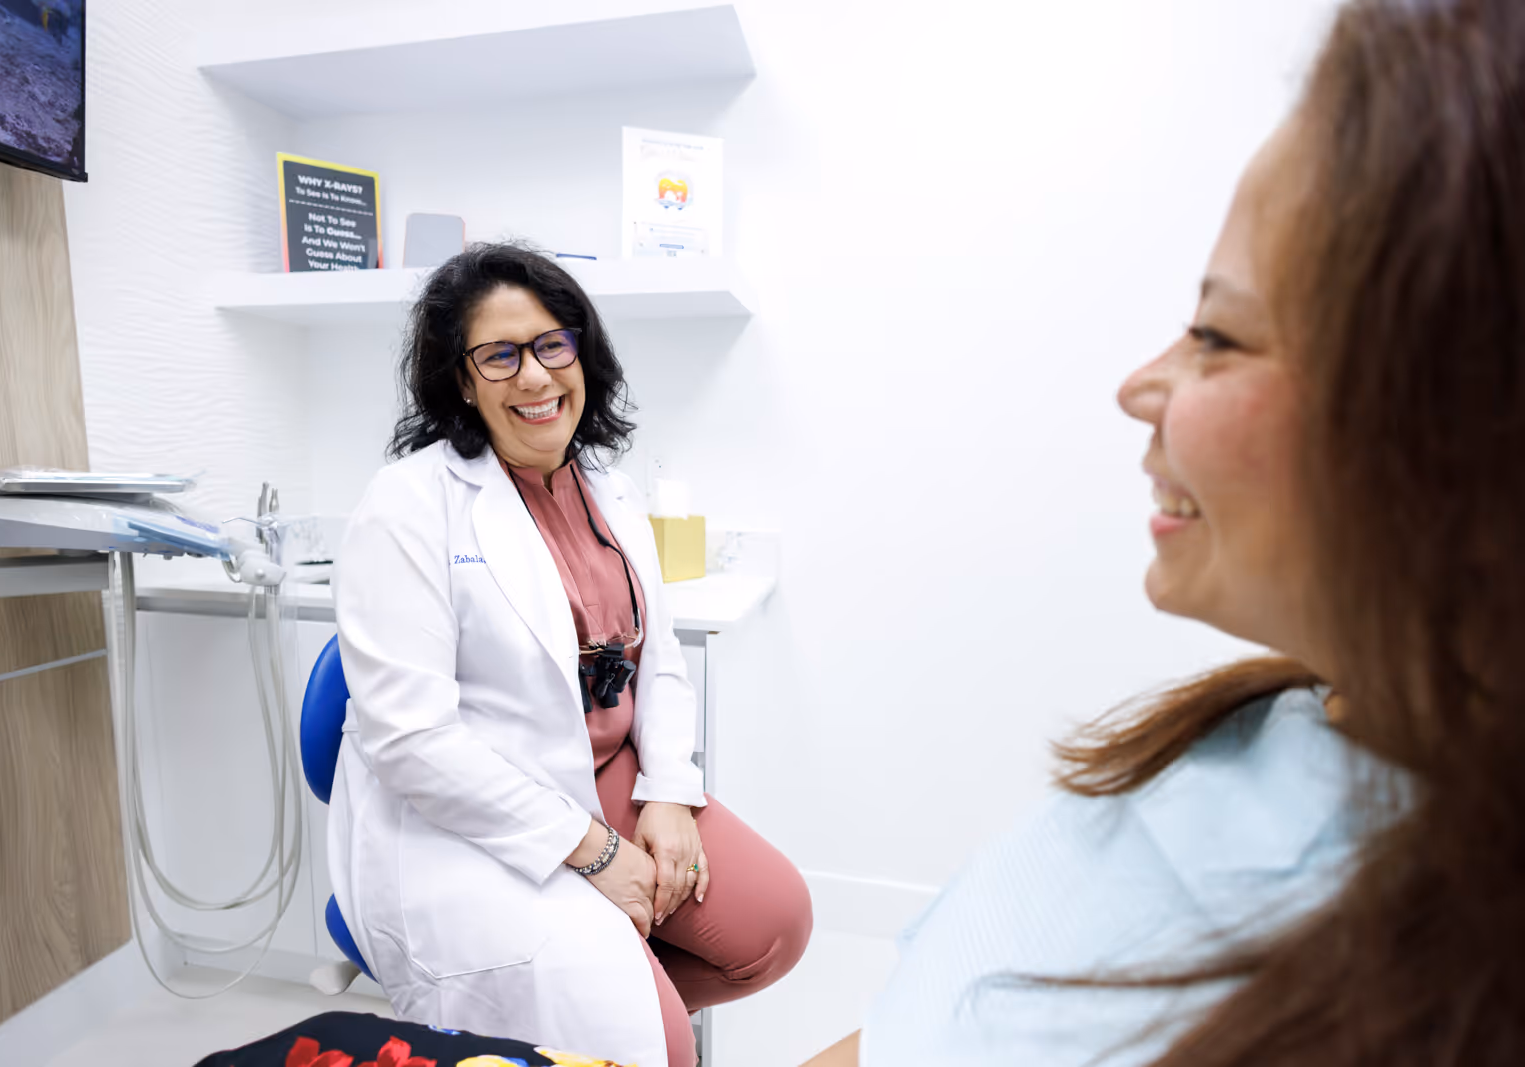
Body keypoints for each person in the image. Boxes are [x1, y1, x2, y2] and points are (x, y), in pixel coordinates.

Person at [804, 1, 1525, 1064]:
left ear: (1460, 428)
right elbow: (914, 1024)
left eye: (1219, 334)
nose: (1137, 385)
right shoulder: (1259, 733)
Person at [329, 243, 812, 1067]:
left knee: (773, 925)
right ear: (461, 378)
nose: (535, 376)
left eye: (554, 344)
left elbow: (654, 658)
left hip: (608, 774)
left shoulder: (610, 489)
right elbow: (412, 742)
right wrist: (595, 853)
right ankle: (589, 1016)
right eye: (500, 355)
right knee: (661, 1048)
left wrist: (666, 791)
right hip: (473, 806)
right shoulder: (407, 506)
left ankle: (568, 1021)